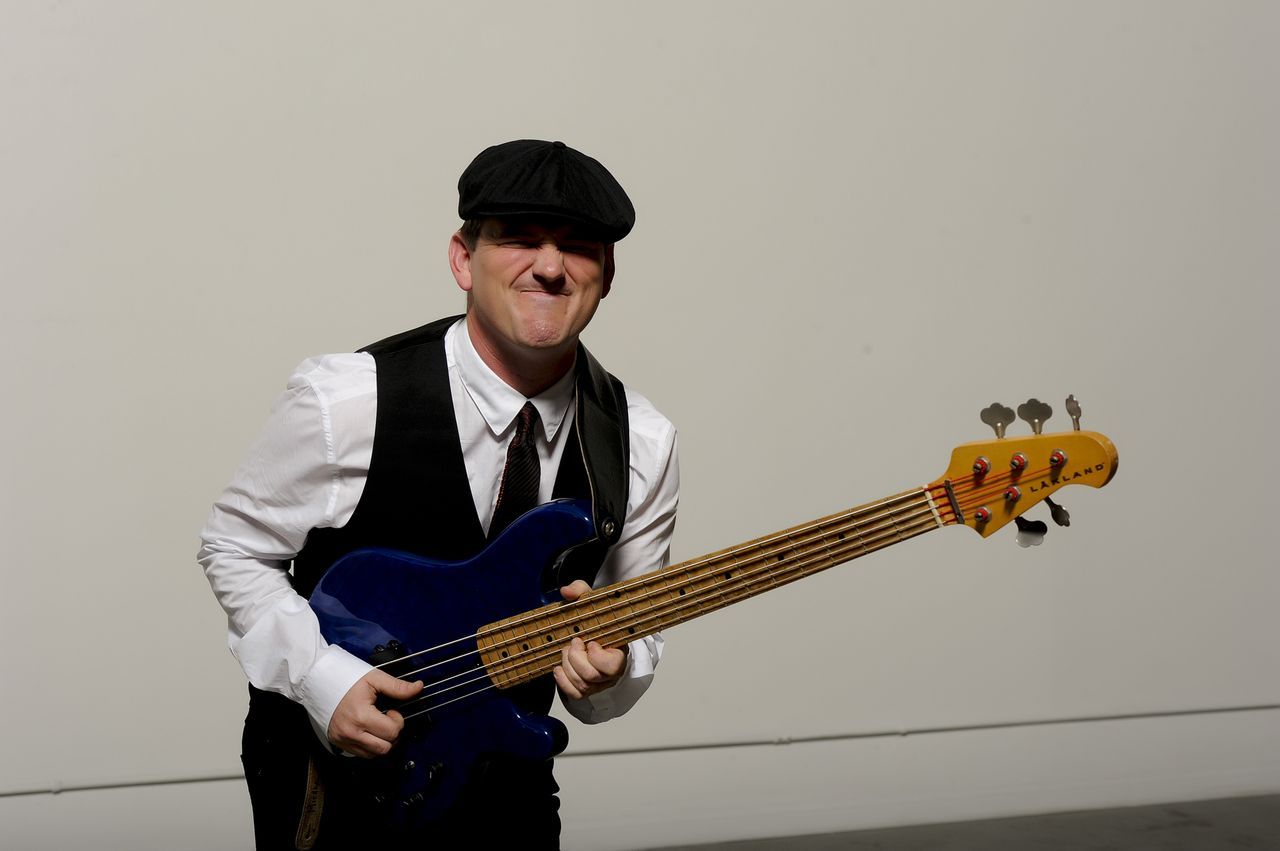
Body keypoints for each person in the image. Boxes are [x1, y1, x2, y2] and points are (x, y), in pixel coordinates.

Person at [199, 139, 679, 849]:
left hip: (506, 783)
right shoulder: (348, 400)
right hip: (333, 782)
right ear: (462, 259)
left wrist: (611, 668)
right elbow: (234, 547)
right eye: (519, 238)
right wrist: (320, 677)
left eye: (578, 248)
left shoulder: (642, 441)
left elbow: (634, 631)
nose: (550, 267)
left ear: (606, 276)